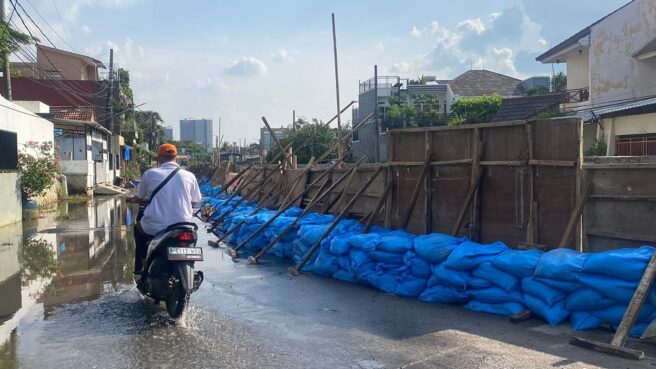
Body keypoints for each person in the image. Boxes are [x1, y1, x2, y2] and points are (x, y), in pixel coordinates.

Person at [127, 143, 202, 276]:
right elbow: (195, 200)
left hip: (155, 227)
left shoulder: (149, 174)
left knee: (138, 229)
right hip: (183, 226)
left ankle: (143, 269)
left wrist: (132, 199)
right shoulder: (189, 176)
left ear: (159, 158)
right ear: (176, 157)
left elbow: (139, 197)